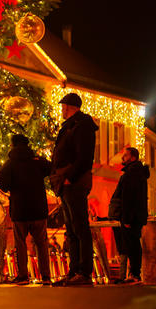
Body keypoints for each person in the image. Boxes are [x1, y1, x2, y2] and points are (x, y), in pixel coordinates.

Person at [49, 92, 98, 286]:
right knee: (71, 228)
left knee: (79, 227)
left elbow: (85, 157)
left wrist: (70, 177)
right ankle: (74, 270)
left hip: (73, 182)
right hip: (65, 182)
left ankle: (84, 272)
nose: (62, 109)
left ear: (71, 107)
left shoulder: (81, 126)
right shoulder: (71, 126)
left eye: (64, 106)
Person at [0, 134, 52, 285]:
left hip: (20, 210)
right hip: (38, 209)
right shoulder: (37, 161)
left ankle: (23, 275)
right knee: (41, 243)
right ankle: (46, 276)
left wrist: (11, 188)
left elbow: (1, 182)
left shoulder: (10, 164)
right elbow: (51, 168)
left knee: (20, 243)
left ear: (13, 145)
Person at [108, 147, 149, 284]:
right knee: (133, 244)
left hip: (131, 216)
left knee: (132, 245)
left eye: (125, 155)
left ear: (132, 157)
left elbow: (129, 197)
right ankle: (134, 273)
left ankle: (135, 274)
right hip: (135, 215)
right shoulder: (137, 172)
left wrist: (127, 218)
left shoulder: (132, 173)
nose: (122, 158)